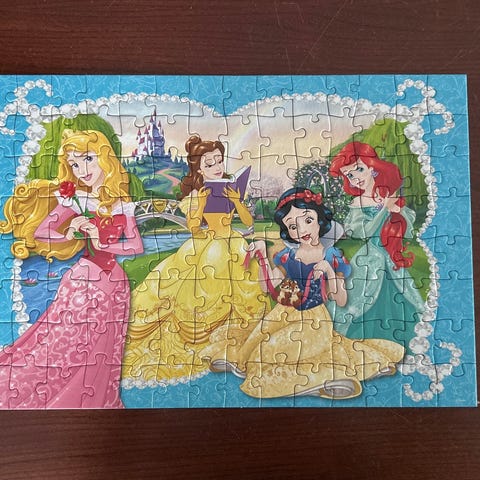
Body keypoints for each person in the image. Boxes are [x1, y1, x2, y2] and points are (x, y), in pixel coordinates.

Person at [200, 188, 404, 399]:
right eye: (293, 226)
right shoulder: (287, 256)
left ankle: (322, 379)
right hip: (282, 313)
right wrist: (262, 258)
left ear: (320, 220)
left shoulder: (332, 256)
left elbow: (341, 299)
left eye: (308, 220)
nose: (302, 230)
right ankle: (241, 362)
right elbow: (268, 286)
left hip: (313, 320)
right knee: (255, 340)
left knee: (269, 350)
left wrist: (329, 271)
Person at [0, 129, 143, 408]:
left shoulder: (123, 204)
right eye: (74, 164)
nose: (82, 170)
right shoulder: (77, 199)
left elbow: (135, 245)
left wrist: (100, 240)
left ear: (104, 157)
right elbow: (43, 232)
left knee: (106, 349)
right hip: (85, 281)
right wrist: (70, 231)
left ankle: (97, 402)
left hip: (116, 284)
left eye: (87, 159)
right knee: (65, 344)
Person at [122, 135, 269, 385]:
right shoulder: (196, 194)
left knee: (235, 279)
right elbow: (192, 226)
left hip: (231, 240)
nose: (217, 167)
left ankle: (230, 340)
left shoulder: (231, 188)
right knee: (189, 277)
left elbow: (248, 223)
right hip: (205, 242)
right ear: (200, 169)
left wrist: (236, 201)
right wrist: (200, 204)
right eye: (209, 164)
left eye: (219, 161)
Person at [329, 141, 425, 351]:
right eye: (349, 175)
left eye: (359, 169)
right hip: (369, 261)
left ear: (373, 167)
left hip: (391, 260)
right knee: (359, 304)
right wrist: (384, 209)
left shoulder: (388, 194)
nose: (356, 178)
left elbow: (409, 231)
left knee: (402, 301)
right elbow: (363, 232)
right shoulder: (357, 203)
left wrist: (397, 212)